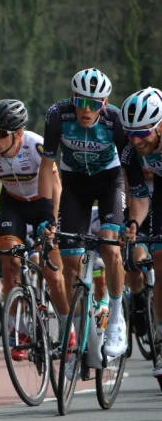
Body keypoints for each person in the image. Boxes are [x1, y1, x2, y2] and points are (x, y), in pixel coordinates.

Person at [37, 68, 143, 357]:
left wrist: (131, 215)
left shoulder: (115, 121)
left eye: (95, 104)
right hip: (74, 184)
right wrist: (47, 213)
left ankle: (117, 318)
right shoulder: (58, 115)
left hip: (109, 181)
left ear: (105, 103)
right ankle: (82, 330)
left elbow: (129, 173)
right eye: (81, 101)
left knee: (110, 245)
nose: (87, 110)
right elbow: (47, 165)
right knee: (70, 258)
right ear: (72, 98)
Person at [0, 99, 65, 361]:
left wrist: (54, 223)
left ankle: (69, 325)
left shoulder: (35, 145)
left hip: (42, 204)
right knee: (10, 260)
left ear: (19, 134)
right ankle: (18, 330)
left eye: (1, 133)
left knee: (53, 271)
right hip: (13, 204)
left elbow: (56, 188)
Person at [118, 86, 162, 379]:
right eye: (131, 133)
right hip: (154, 195)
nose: (136, 140)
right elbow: (139, 196)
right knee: (159, 255)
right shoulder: (131, 149)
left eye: (143, 133)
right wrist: (134, 222)